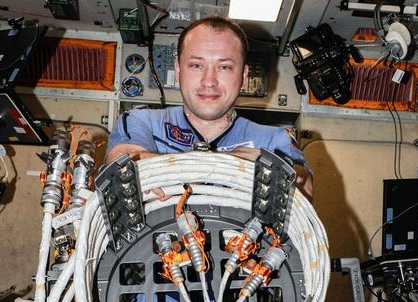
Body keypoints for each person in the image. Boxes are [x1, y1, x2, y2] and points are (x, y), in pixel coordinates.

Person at [106, 16, 313, 199]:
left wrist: (161, 169)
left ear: (243, 75)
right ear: (178, 70)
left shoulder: (273, 140)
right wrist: (235, 163)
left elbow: (303, 187)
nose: (209, 81)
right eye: (196, 65)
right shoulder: (141, 121)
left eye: (224, 67)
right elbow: (123, 165)